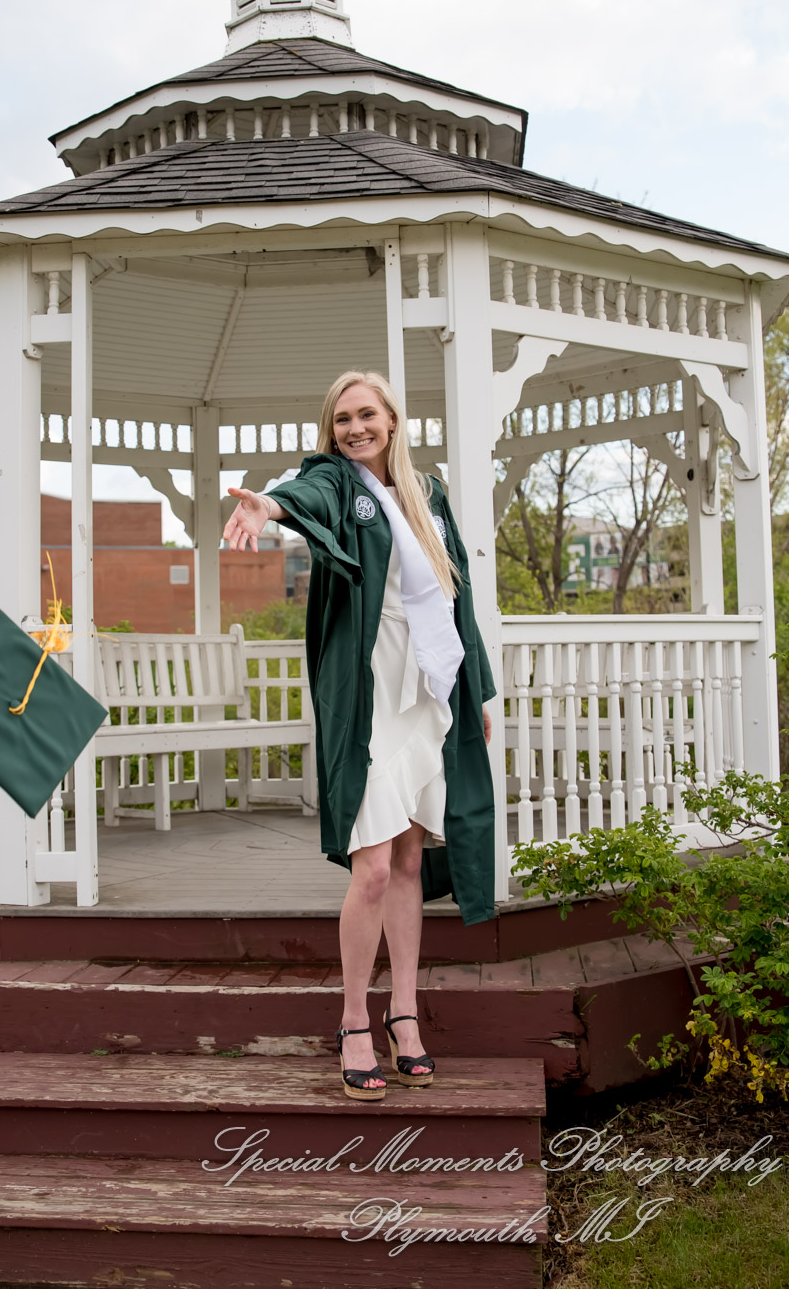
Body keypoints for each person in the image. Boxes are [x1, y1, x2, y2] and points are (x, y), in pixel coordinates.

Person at [223, 370, 496, 1101]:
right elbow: (302, 497)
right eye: (342, 418)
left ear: (393, 419)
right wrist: (269, 506)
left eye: (366, 414)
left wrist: (480, 693)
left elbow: (458, 596)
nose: (354, 428)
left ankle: (405, 1017)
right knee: (371, 867)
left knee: (408, 860)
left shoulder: (428, 495)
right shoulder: (337, 483)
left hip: (430, 689)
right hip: (372, 693)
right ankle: (352, 1020)